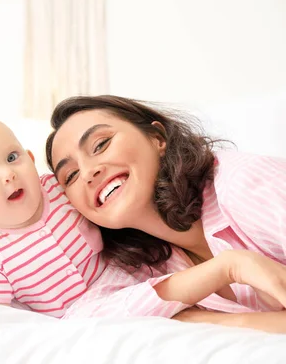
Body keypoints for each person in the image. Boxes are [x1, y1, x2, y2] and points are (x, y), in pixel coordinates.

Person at [46, 95, 286, 332]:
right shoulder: (141, 263)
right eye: (71, 176)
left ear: (157, 138)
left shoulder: (244, 184)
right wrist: (227, 267)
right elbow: (80, 324)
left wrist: (217, 322)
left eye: (100, 145)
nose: (88, 172)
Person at [0, 117, 104, 317]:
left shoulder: (60, 188)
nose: (8, 174)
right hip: (71, 323)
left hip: (118, 281)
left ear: (31, 159)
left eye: (11, 158)